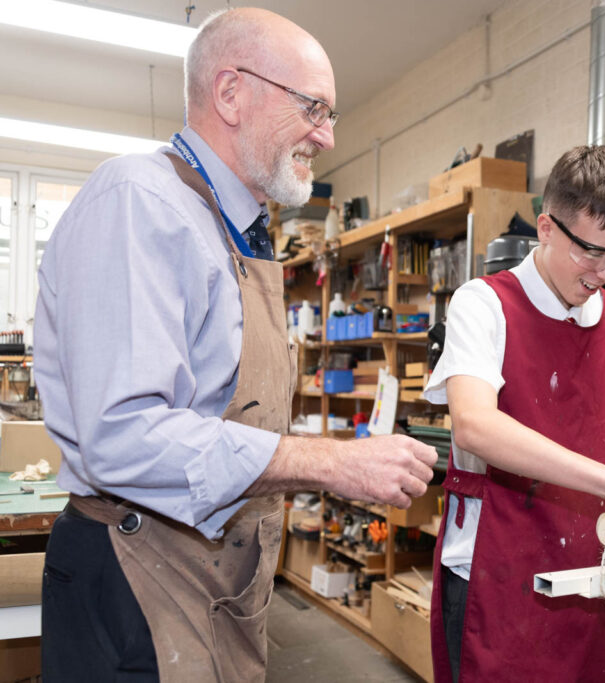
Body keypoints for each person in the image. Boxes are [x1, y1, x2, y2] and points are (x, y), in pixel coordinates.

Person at [34, 8, 437, 681]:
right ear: (230, 93)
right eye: (313, 106)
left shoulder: (234, 230)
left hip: (213, 573)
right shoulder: (140, 202)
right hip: (135, 574)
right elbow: (124, 434)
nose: (328, 135)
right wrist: (331, 464)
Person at [425, 145, 605, 682]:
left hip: (586, 563)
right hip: (496, 567)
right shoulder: (483, 303)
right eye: (592, 253)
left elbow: (592, 438)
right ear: (547, 228)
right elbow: (474, 424)